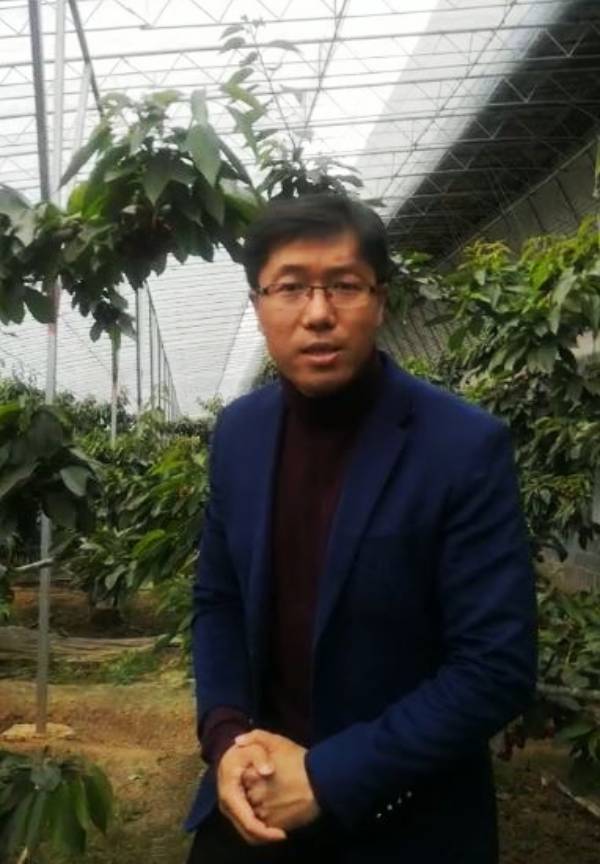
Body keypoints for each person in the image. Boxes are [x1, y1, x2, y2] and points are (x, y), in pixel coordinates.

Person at [183, 193, 538, 863]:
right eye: (291, 287)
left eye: (344, 286)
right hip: (255, 803)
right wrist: (226, 736)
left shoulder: (461, 447)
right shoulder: (239, 433)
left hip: (406, 821)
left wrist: (326, 776)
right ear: (258, 305)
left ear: (380, 301)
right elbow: (219, 600)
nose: (318, 313)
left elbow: (495, 666)